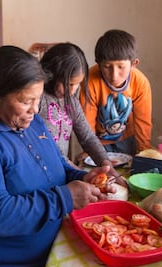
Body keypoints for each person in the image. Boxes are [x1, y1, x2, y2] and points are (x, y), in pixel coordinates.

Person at [0, 45, 117, 267]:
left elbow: (57, 165)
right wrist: (65, 197)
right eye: (26, 101)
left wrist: (83, 177)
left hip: (44, 257)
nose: (35, 109)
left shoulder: (31, 122)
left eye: (37, 99)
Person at [38, 42, 126, 186]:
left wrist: (106, 164)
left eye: (77, 84)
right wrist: (78, 172)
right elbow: (46, 148)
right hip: (42, 174)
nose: (73, 90)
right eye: (69, 84)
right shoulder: (38, 100)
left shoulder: (71, 102)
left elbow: (88, 137)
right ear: (51, 75)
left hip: (62, 174)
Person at [79, 29, 152, 156]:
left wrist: (143, 152)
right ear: (98, 63)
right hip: (97, 143)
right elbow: (86, 123)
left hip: (128, 140)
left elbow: (143, 122)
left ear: (134, 64)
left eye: (121, 67)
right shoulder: (90, 81)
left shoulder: (140, 82)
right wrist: (88, 151)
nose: (114, 75)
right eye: (107, 67)